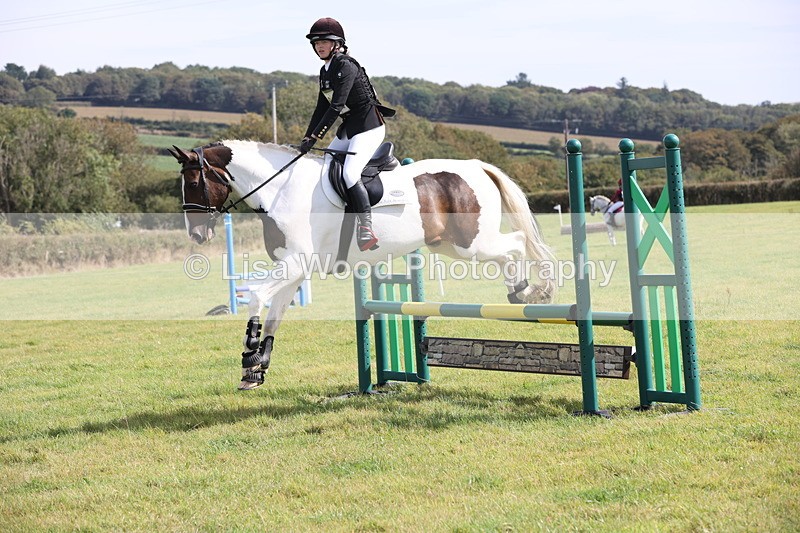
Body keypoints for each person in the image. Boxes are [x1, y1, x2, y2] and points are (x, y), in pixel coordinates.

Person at [299, 17, 395, 251]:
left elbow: (335, 106)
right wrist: (306, 136)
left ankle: (366, 229)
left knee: (350, 173)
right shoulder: (325, 71)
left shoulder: (346, 65)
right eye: (316, 43)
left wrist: (316, 137)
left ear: (337, 43)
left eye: (324, 42)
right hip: (349, 128)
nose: (319, 46)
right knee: (327, 164)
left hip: (369, 127)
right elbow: (320, 108)